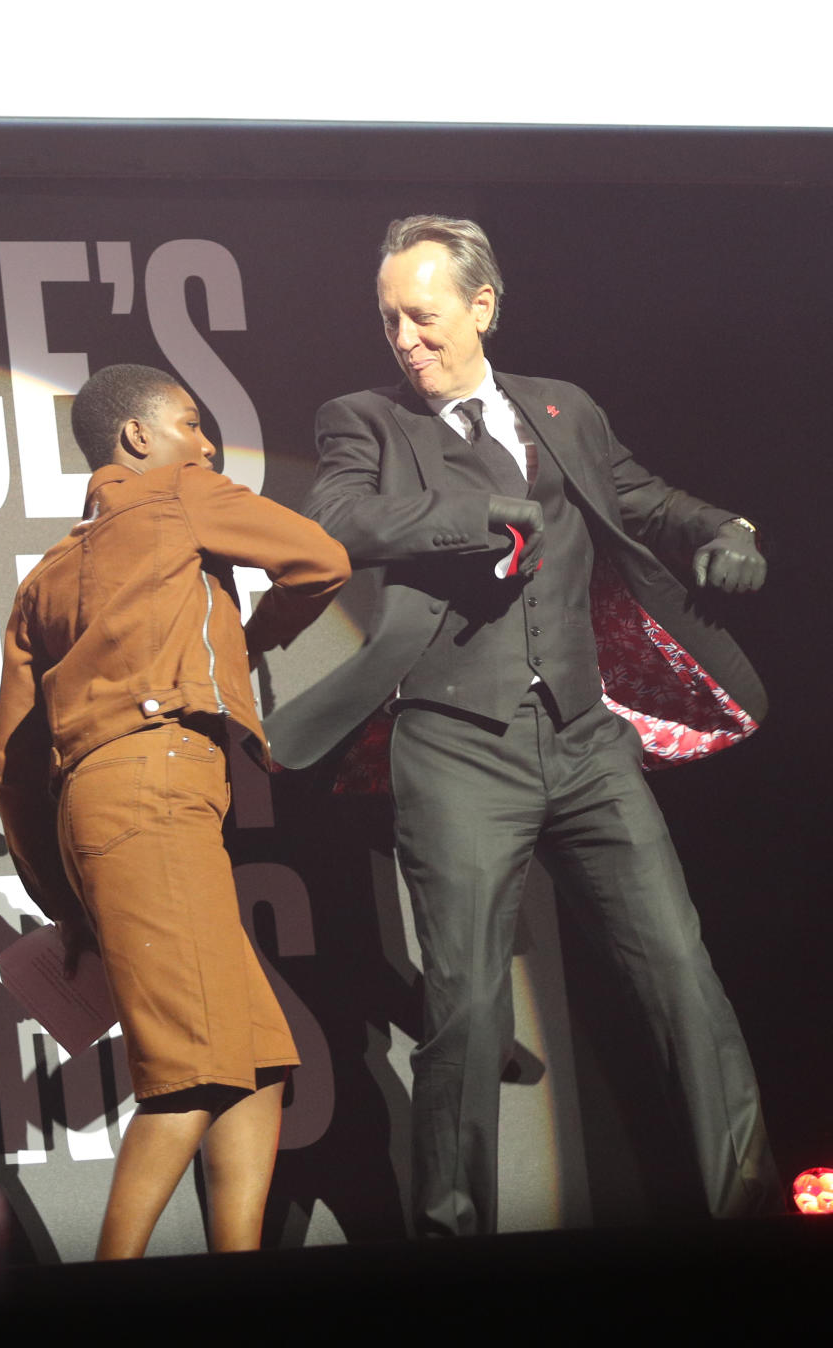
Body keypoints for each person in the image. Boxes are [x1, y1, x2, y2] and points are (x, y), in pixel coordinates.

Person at [265, 215, 783, 1237]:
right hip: (459, 745)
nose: (405, 339)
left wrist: (726, 528)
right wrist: (484, 519)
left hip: (588, 744)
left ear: (481, 306)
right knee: (464, 1008)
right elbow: (341, 519)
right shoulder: (364, 420)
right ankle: (453, 1244)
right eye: (390, 322)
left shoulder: (563, 409)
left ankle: (750, 1215)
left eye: (422, 316)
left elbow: (643, 498)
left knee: (681, 973)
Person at [0, 364, 350, 1258]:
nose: (206, 443)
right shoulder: (181, 495)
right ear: (140, 439)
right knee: (191, 1075)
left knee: (258, 1063)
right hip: (158, 788)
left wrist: (62, 897)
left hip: (100, 811)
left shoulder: (43, 581)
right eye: (190, 424)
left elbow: (14, 766)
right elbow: (325, 561)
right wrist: (255, 634)